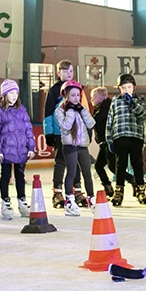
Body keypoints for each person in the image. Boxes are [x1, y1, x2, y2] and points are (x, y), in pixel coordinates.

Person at [0, 79, 36, 220]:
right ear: (4, 95)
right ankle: (6, 202)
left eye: (16, 93)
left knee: (20, 176)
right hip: (5, 150)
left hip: (20, 149)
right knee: (5, 176)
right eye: (11, 93)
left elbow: (28, 129)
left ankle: (22, 202)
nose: (14, 96)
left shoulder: (21, 110)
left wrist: (31, 146)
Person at [43, 60, 84, 209]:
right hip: (60, 132)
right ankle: (57, 191)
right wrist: (49, 132)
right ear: (58, 73)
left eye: (71, 71)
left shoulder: (77, 89)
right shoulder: (54, 91)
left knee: (77, 161)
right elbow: (48, 113)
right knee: (61, 161)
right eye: (65, 71)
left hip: (75, 133)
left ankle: (77, 190)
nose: (69, 74)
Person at [106, 73, 146, 207]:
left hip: (135, 136)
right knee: (121, 164)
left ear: (134, 87)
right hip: (120, 136)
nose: (126, 90)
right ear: (119, 88)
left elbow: (144, 114)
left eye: (129, 87)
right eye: (123, 87)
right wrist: (109, 139)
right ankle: (119, 191)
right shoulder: (115, 101)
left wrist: (133, 103)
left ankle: (140, 189)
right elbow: (110, 120)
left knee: (137, 163)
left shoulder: (139, 100)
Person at [54, 81, 96, 216]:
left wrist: (83, 111)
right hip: (70, 146)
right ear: (66, 96)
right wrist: (71, 111)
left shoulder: (81, 109)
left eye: (78, 95)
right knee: (71, 172)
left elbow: (91, 123)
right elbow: (65, 126)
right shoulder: (60, 110)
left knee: (87, 173)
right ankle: (70, 201)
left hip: (82, 145)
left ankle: (91, 199)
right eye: (73, 95)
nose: (76, 98)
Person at [91, 87, 115, 197]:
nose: (92, 100)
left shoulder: (106, 107)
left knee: (113, 167)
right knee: (99, 166)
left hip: (108, 142)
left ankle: (133, 181)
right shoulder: (99, 108)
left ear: (102, 97)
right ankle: (107, 187)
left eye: (94, 97)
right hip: (103, 143)